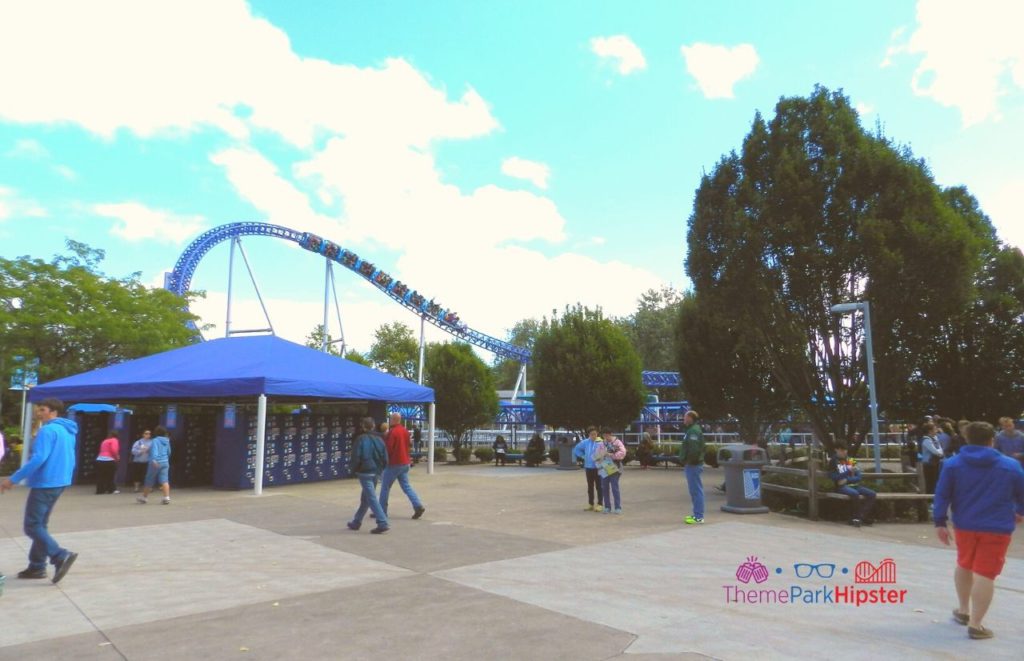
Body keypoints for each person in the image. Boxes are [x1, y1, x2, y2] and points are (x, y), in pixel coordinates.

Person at [934, 421, 1024, 640]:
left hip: (964, 524)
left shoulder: (952, 464)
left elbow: (942, 494)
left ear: (966, 438)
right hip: (997, 527)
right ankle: (976, 624)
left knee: (964, 563)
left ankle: (963, 610)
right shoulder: (1010, 465)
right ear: (992, 440)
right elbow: (1022, 494)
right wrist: (1020, 511)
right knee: (985, 573)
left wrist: (939, 522)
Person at [0, 398, 79, 584]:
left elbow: (38, 459)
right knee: (40, 525)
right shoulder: (67, 431)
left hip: (46, 482)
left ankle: (60, 555)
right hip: (59, 482)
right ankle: (37, 566)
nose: (38, 413)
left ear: (53, 412)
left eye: (42, 410)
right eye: (38, 409)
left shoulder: (48, 430)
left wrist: (12, 479)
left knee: (32, 526)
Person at [347, 417, 390, 534]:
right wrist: (381, 469)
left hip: (364, 471)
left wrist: (353, 469)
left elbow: (356, 456)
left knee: (371, 498)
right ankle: (356, 521)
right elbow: (386, 457)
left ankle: (382, 522)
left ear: (363, 426)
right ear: (373, 426)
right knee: (366, 498)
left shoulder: (360, 439)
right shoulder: (380, 439)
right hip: (376, 471)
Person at [380, 413, 425, 520]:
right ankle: (418, 505)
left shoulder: (392, 432)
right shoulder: (405, 431)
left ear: (393, 420)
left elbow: (389, 449)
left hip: (394, 463)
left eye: (390, 419)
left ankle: (381, 511)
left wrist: (383, 460)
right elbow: (409, 444)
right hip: (405, 462)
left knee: (385, 487)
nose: (389, 421)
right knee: (406, 486)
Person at [828, 442, 876, 527]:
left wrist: (846, 480)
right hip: (841, 487)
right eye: (842, 450)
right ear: (836, 450)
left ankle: (860, 517)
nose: (844, 452)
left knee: (872, 494)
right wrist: (848, 472)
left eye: (845, 450)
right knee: (854, 493)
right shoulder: (833, 461)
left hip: (854, 485)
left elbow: (859, 476)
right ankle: (856, 518)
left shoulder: (850, 460)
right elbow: (833, 477)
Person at [680, 410, 706, 524]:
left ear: (690, 418)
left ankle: (699, 517)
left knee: (696, 490)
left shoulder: (693, 431)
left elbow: (694, 450)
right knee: (694, 490)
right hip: (692, 464)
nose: (683, 419)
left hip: (693, 465)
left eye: (685, 417)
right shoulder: (691, 430)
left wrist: (690, 461)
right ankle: (697, 514)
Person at [137, 426, 172, 505]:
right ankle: (166, 497)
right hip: (165, 462)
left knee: (149, 479)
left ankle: (144, 498)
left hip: (156, 462)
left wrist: (154, 460)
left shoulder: (155, 440)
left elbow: (154, 451)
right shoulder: (167, 441)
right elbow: (169, 452)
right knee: (164, 480)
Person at [572, 427, 603, 511]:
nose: (594, 436)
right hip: (588, 467)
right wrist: (583, 456)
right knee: (590, 487)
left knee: (599, 486)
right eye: (592, 434)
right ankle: (590, 504)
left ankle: (600, 504)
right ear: (589, 435)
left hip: (598, 467)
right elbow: (576, 449)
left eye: (595, 434)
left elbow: (604, 452)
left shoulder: (600, 442)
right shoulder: (585, 442)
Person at [595, 430, 626, 514]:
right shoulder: (601, 444)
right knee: (604, 488)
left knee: (614, 487)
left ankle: (617, 507)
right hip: (604, 468)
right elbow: (596, 455)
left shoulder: (617, 442)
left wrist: (612, 455)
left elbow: (623, 452)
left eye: (607, 435)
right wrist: (601, 456)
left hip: (615, 468)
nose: (605, 437)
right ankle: (607, 507)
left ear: (610, 434)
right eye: (604, 436)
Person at [920, 422, 944, 494]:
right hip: (929, 464)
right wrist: (940, 452)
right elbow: (936, 452)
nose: (936, 430)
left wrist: (940, 452)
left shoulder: (934, 439)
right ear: (930, 431)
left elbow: (940, 449)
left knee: (936, 482)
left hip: (935, 463)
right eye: (935, 429)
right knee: (930, 483)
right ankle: (929, 500)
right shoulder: (926, 440)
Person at [95, 430, 120, 494]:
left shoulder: (105, 441)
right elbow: (114, 450)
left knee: (101, 476)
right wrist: (116, 458)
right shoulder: (114, 440)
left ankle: (100, 490)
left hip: (100, 460)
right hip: (109, 460)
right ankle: (111, 489)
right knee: (110, 476)